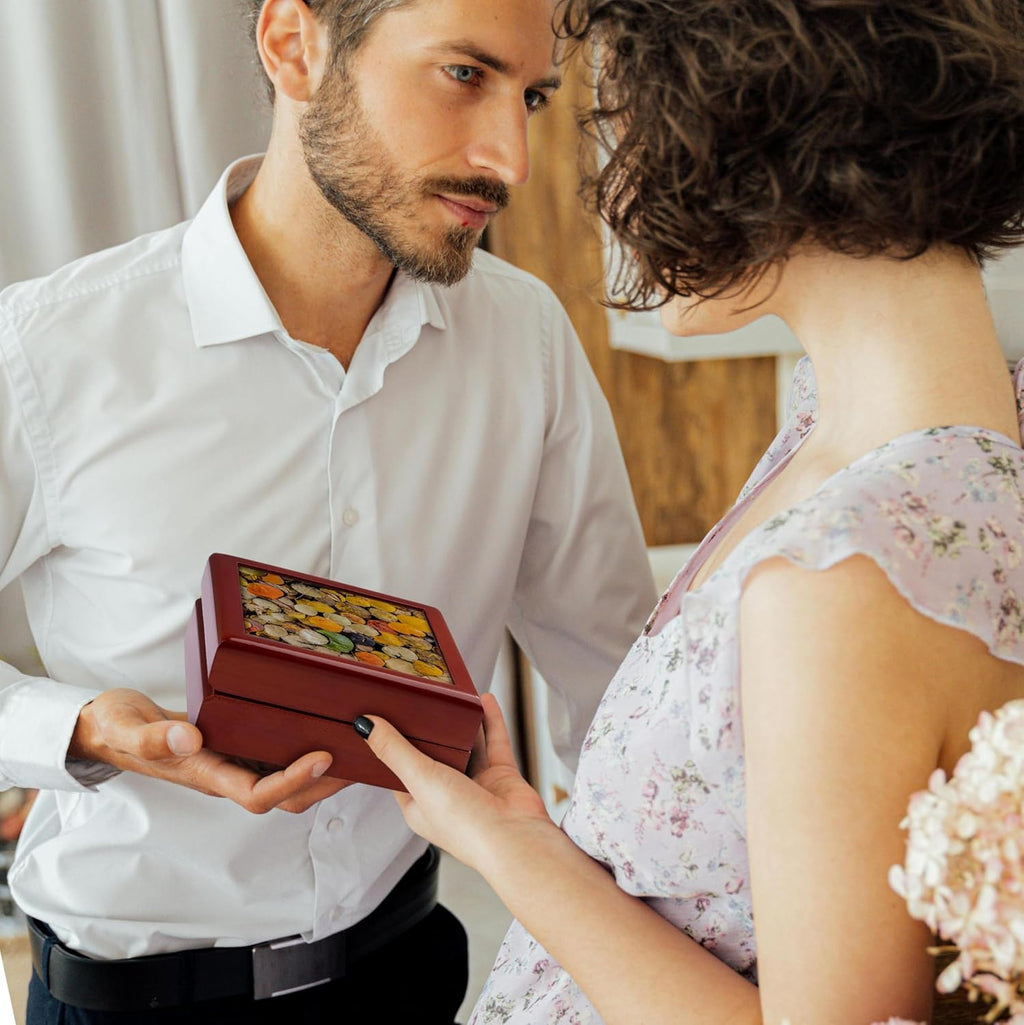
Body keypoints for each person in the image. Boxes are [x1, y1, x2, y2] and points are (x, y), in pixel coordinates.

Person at [357, 1, 1024, 1023]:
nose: (611, 188)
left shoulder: (848, 571)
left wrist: (503, 847)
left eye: (627, 128)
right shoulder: (875, 439)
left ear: (759, 135)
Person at [0, 0, 658, 1022]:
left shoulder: (524, 337)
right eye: (461, 75)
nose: (510, 158)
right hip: (132, 999)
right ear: (293, 45)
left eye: (529, 96)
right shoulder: (49, 350)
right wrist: (80, 728)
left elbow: (614, 678)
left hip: (416, 967)